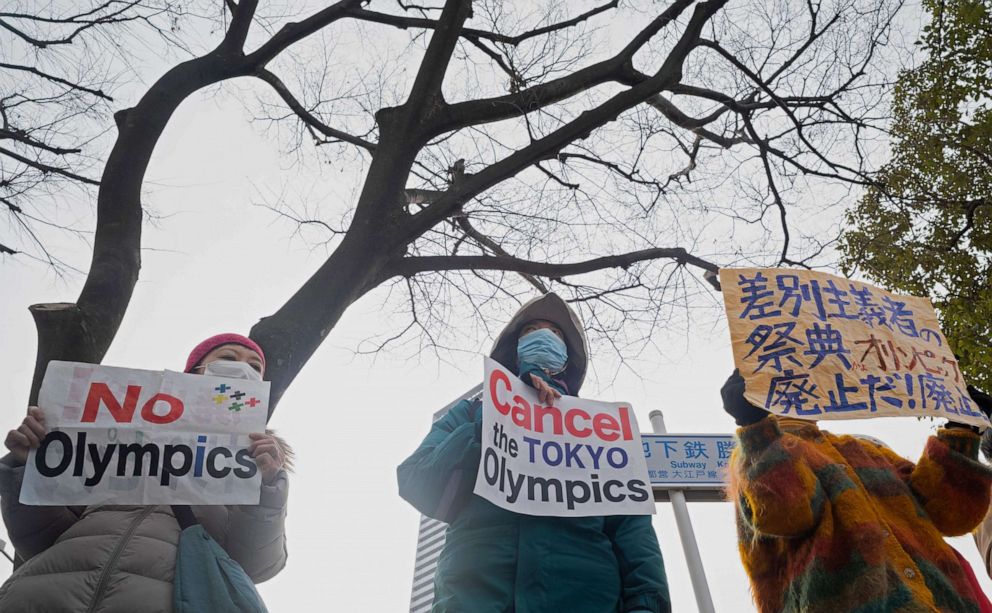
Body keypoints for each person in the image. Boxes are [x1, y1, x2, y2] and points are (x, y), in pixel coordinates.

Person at [397, 293, 671, 613]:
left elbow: (633, 530)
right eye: (531, 331)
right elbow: (416, 481)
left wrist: (647, 606)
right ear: (515, 352)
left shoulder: (602, 426)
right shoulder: (471, 414)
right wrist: (492, 420)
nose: (543, 336)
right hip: (474, 598)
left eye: (554, 333)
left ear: (567, 359)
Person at [0, 333, 290, 612]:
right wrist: (30, 468)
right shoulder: (105, 438)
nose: (242, 369)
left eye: (255, 367)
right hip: (44, 597)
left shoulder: (251, 460)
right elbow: (36, 539)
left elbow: (257, 563)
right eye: (228, 357)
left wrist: (268, 489)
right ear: (192, 374)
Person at [722, 369, 992, 612]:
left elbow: (951, 515)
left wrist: (963, 427)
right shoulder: (754, 456)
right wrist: (756, 427)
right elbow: (788, 512)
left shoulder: (868, 451)